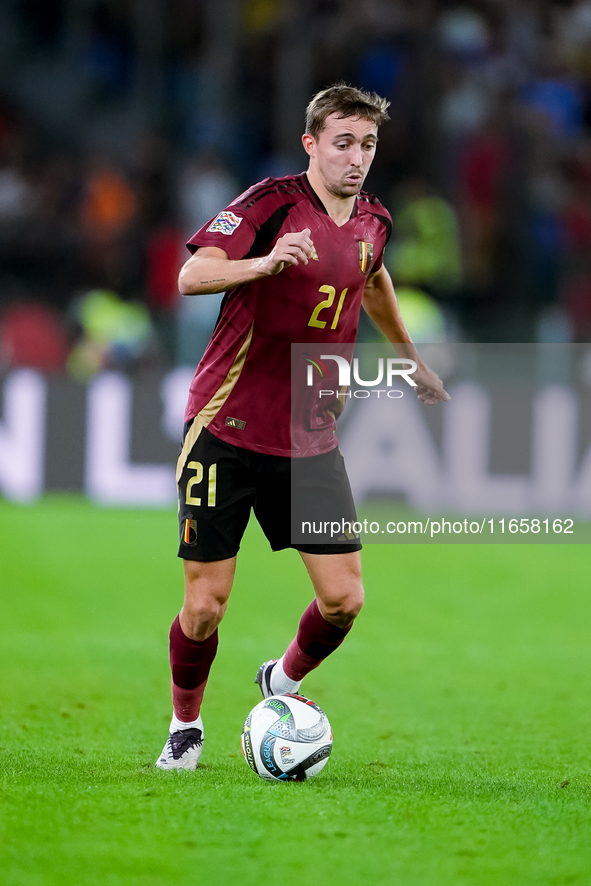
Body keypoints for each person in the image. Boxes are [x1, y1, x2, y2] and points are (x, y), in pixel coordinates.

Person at [156, 84, 449, 770]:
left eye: (367, 145)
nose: (356, 157)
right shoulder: (268, 204)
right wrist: (264, 262)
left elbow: (370, 281)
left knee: (344, 599)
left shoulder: (374, 220)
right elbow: (190, 274)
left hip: (307, 435)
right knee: (205, 605)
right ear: (311, 143)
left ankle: (280, 683)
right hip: (226, 426)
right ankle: (185, 725)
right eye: (342, 142)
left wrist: (411, 362)